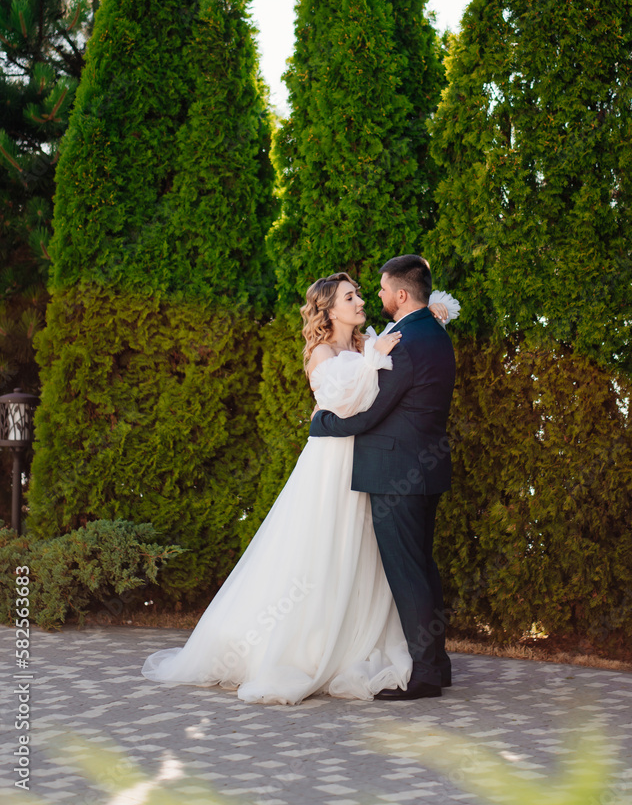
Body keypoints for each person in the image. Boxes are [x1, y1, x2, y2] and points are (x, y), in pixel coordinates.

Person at [141, 268, 457, 705]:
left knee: (377, 561)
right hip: (335, 462)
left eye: (363, 294)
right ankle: (311, 646)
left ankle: (389, 652)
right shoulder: (325, 352)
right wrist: (335, 407)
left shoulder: (371, 342)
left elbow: (385, 383)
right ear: (328, 311)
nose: (362, 301)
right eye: (350, 297)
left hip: (371, 461)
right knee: (325, 552)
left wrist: (428, 313)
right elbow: (347, 404)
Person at [310, 255, 456, 701]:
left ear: (402, 294)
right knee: (423, 567)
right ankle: (438, 664)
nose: (377, 296)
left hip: (396, 475)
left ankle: (426, 674)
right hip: (425, 469)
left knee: (408, 573)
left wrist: (322, 424)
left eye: (383, 289)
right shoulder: (435, 333)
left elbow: (373, 414)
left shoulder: (406, 343)